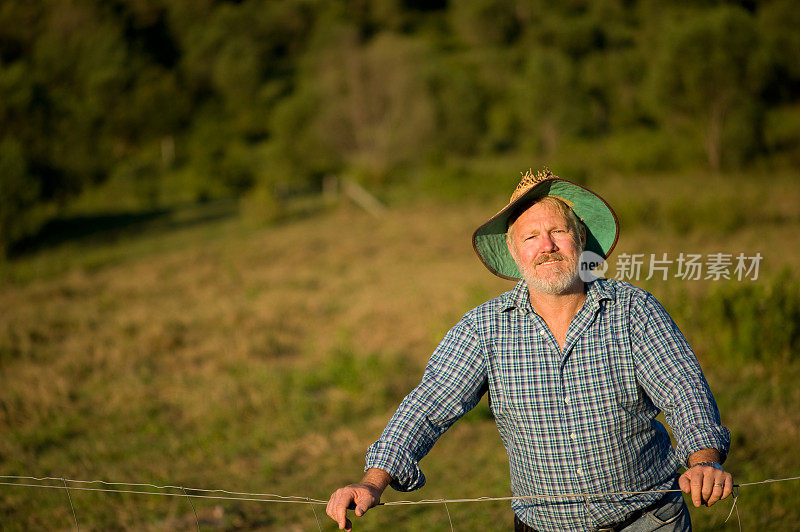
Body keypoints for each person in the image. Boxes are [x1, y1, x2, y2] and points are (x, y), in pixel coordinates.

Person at [326, 168, 733, 531]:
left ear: (579, 241)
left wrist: (702, 461)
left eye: (558, 232)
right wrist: (372, 481)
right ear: (516, 252)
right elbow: (428, 405)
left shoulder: (633, 309)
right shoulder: (484, 328)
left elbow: (684, 392)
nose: (547, 246)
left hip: (649, 521)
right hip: (541, 527)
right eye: (532, 237)